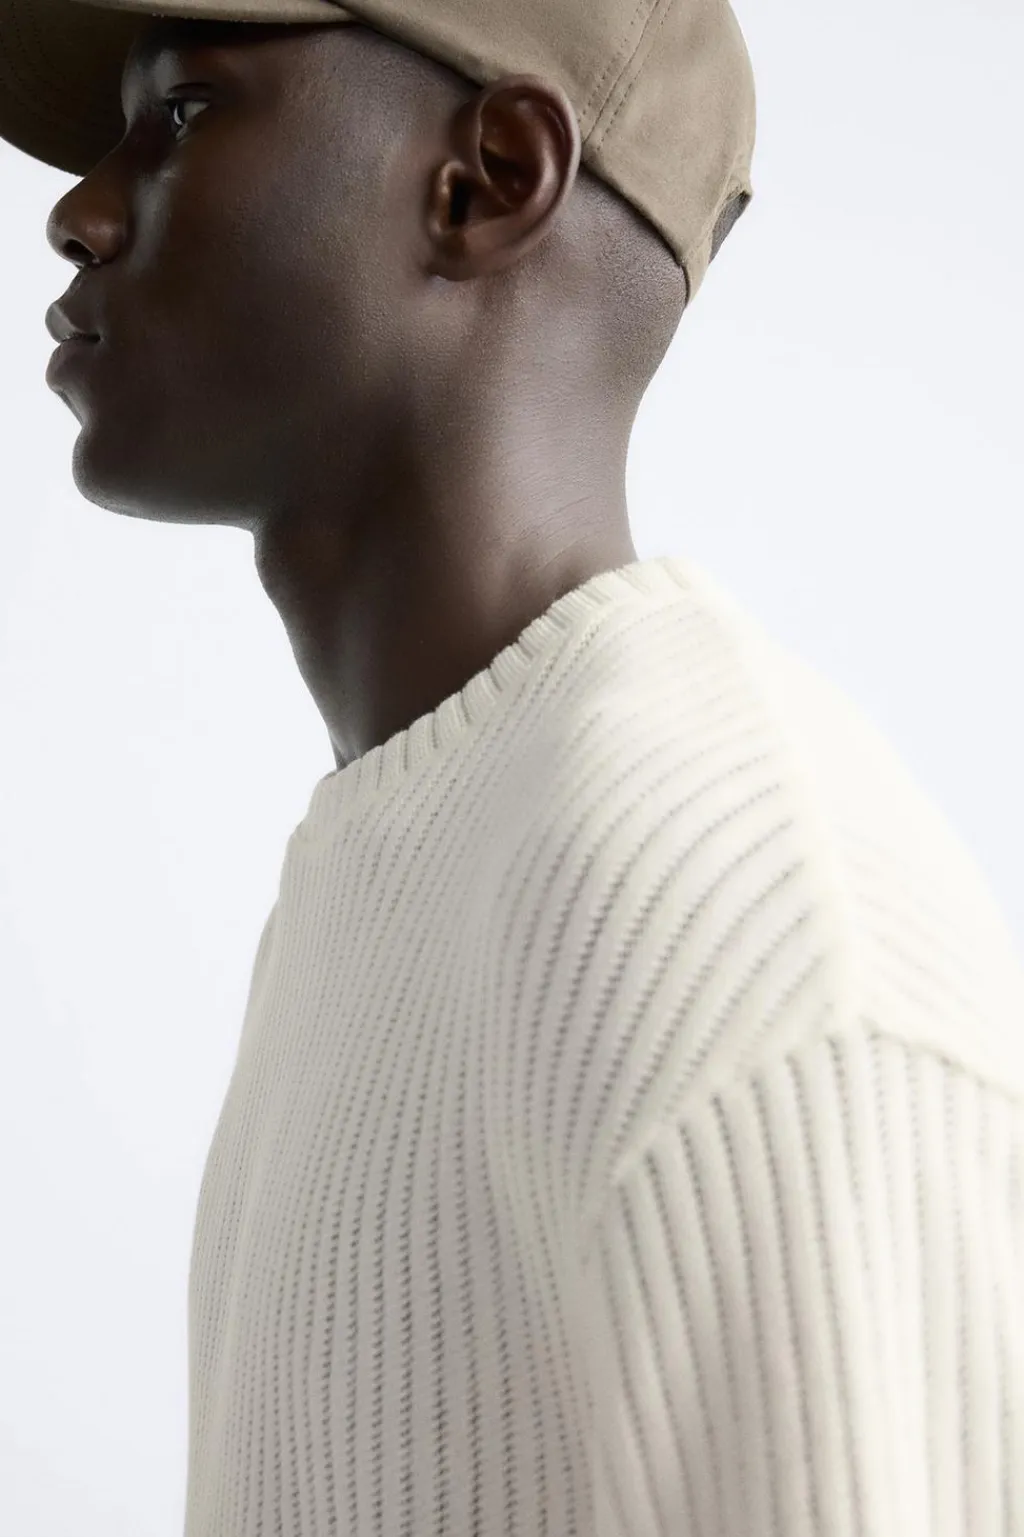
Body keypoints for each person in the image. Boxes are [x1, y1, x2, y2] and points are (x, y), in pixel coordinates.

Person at [3, 3, 1022, 1535]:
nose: (80, 210)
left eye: (188, 114)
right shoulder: (408, 861)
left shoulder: (722, 899)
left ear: (486, 179)